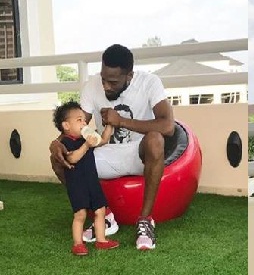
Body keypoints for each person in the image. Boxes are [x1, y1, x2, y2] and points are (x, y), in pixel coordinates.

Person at [49, 44, 175, 251]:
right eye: (103, 79)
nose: (106, 86)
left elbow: (168, 126)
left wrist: (122, 121)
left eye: (113, 82)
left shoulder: (149, 82)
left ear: (129, 75)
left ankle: (145, 220)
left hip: (139, 154)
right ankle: (104, 215)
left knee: (155, 139)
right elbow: (76, 126)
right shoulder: (92, 86)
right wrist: (57, 142)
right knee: (58, 159)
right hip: (104, 153)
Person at [53, 101, 119, 256]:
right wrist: (86, 146)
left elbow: (103, 140)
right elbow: (72, 158)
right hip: (77, 185)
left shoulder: (86, 138)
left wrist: (109, 125)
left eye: (84, 120)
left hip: (92, 182)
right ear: (66, 125)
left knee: (100, 211)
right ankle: (78, 244)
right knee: (80, 214)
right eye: (79, 120)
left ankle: (101, 240)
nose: (84, 123)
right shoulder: (64, 143)